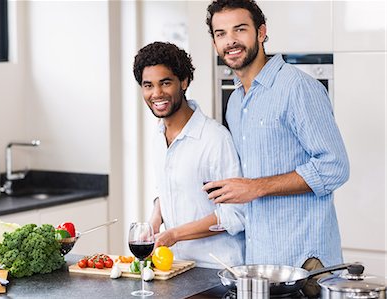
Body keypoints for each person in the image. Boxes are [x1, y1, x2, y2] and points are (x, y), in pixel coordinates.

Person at [204, 0, 350, 295]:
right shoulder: (235, 102)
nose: (230, 41)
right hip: (260, 265)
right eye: (220, 33)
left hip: (305, 264)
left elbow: (335, 167)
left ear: (261, 32)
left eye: (240, 29)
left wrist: (256, 187)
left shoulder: (297, 88)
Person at [133, 41, 245, 269]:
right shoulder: (158, 136)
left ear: (183, 82)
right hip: (177, 267)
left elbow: (236, 214)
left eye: (165, 83)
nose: (156, 94)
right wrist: (155, 222)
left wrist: (175, 234)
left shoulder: (214, 139)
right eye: (148, 85)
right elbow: (169, 189)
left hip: (217, 270)